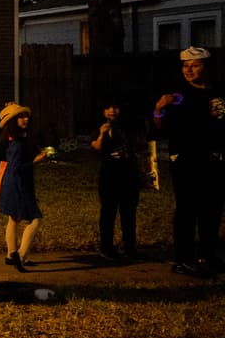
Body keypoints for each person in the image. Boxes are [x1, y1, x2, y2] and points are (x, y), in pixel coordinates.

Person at [154, 47, 225, 277]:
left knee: (212, 209)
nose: (189, 70)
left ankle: (208, 255)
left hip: (215, 159)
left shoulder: (219, 92)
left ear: (207, 67)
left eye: (195, 65)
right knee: (187, 208)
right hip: (186, 160)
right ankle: (183, 259)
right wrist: (158, 110)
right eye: (186, 66)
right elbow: (161, 128)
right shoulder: (178, 95)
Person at [0, 102, 45, 273]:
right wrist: (34, 161)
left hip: (11, 183)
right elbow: (16, 168)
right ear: (12, 121)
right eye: (21, 116)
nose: (26, 119)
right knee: (35, 220)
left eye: (26, 116)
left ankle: (10, 254)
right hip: (19, 185)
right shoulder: (17, 143)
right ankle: (20, 255)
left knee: (13, 219)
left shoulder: (16, 138)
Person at [90, 97, 145, 260]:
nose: (112, 111)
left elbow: (140, 146)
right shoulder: (100, 127)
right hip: (109, 175)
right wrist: (102, 134)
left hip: (129, 174)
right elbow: (96, 148)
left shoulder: (128, 127)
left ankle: (130, 247)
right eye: (108, 108)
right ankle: (106, 247)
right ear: (103, 111)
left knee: (129, 212)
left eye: (115, 107)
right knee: (108, 212)